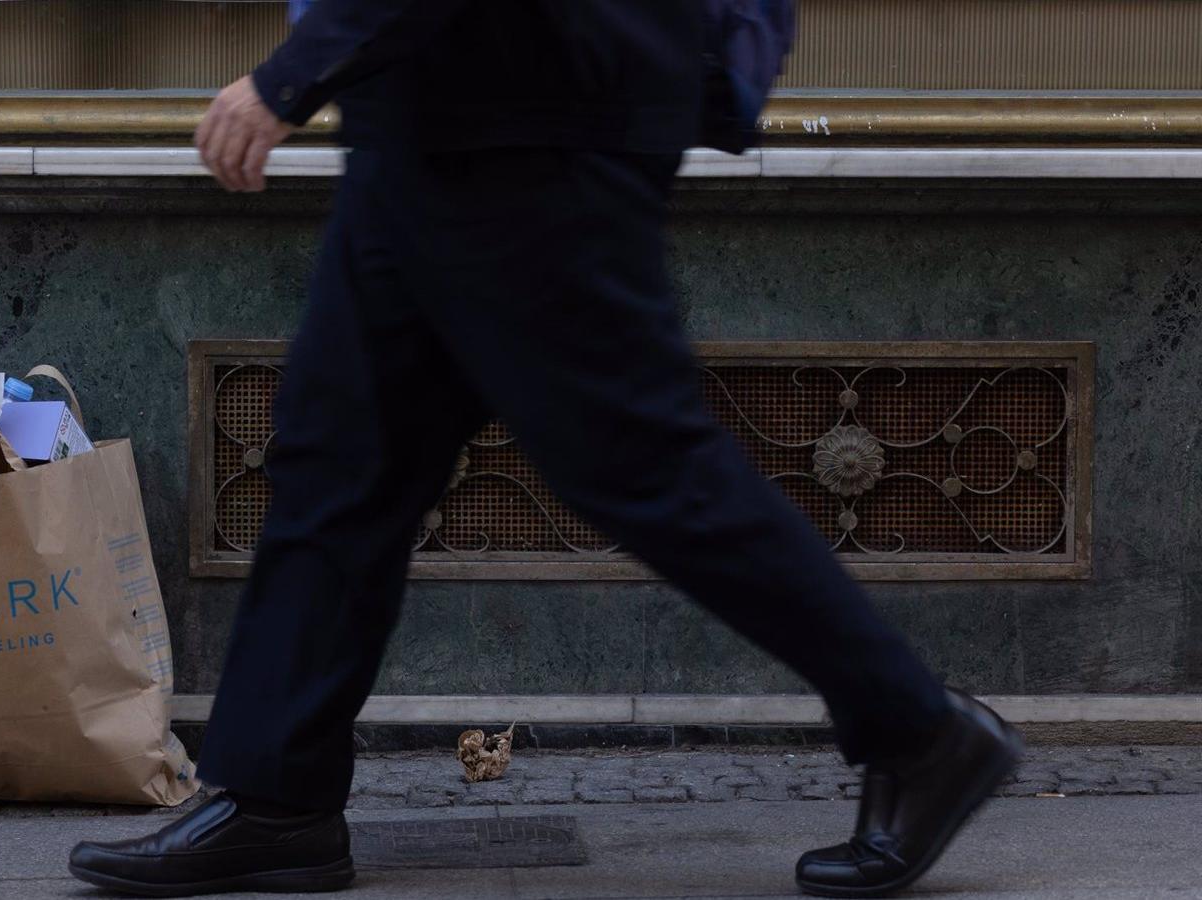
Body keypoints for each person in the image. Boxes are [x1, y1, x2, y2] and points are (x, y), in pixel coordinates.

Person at [69, 1, 1022, 896]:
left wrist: (293, 72)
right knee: (340, 461)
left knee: (638, 462)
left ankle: (920, 732)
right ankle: (275, 799)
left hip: (532, 112)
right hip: (432, 113)